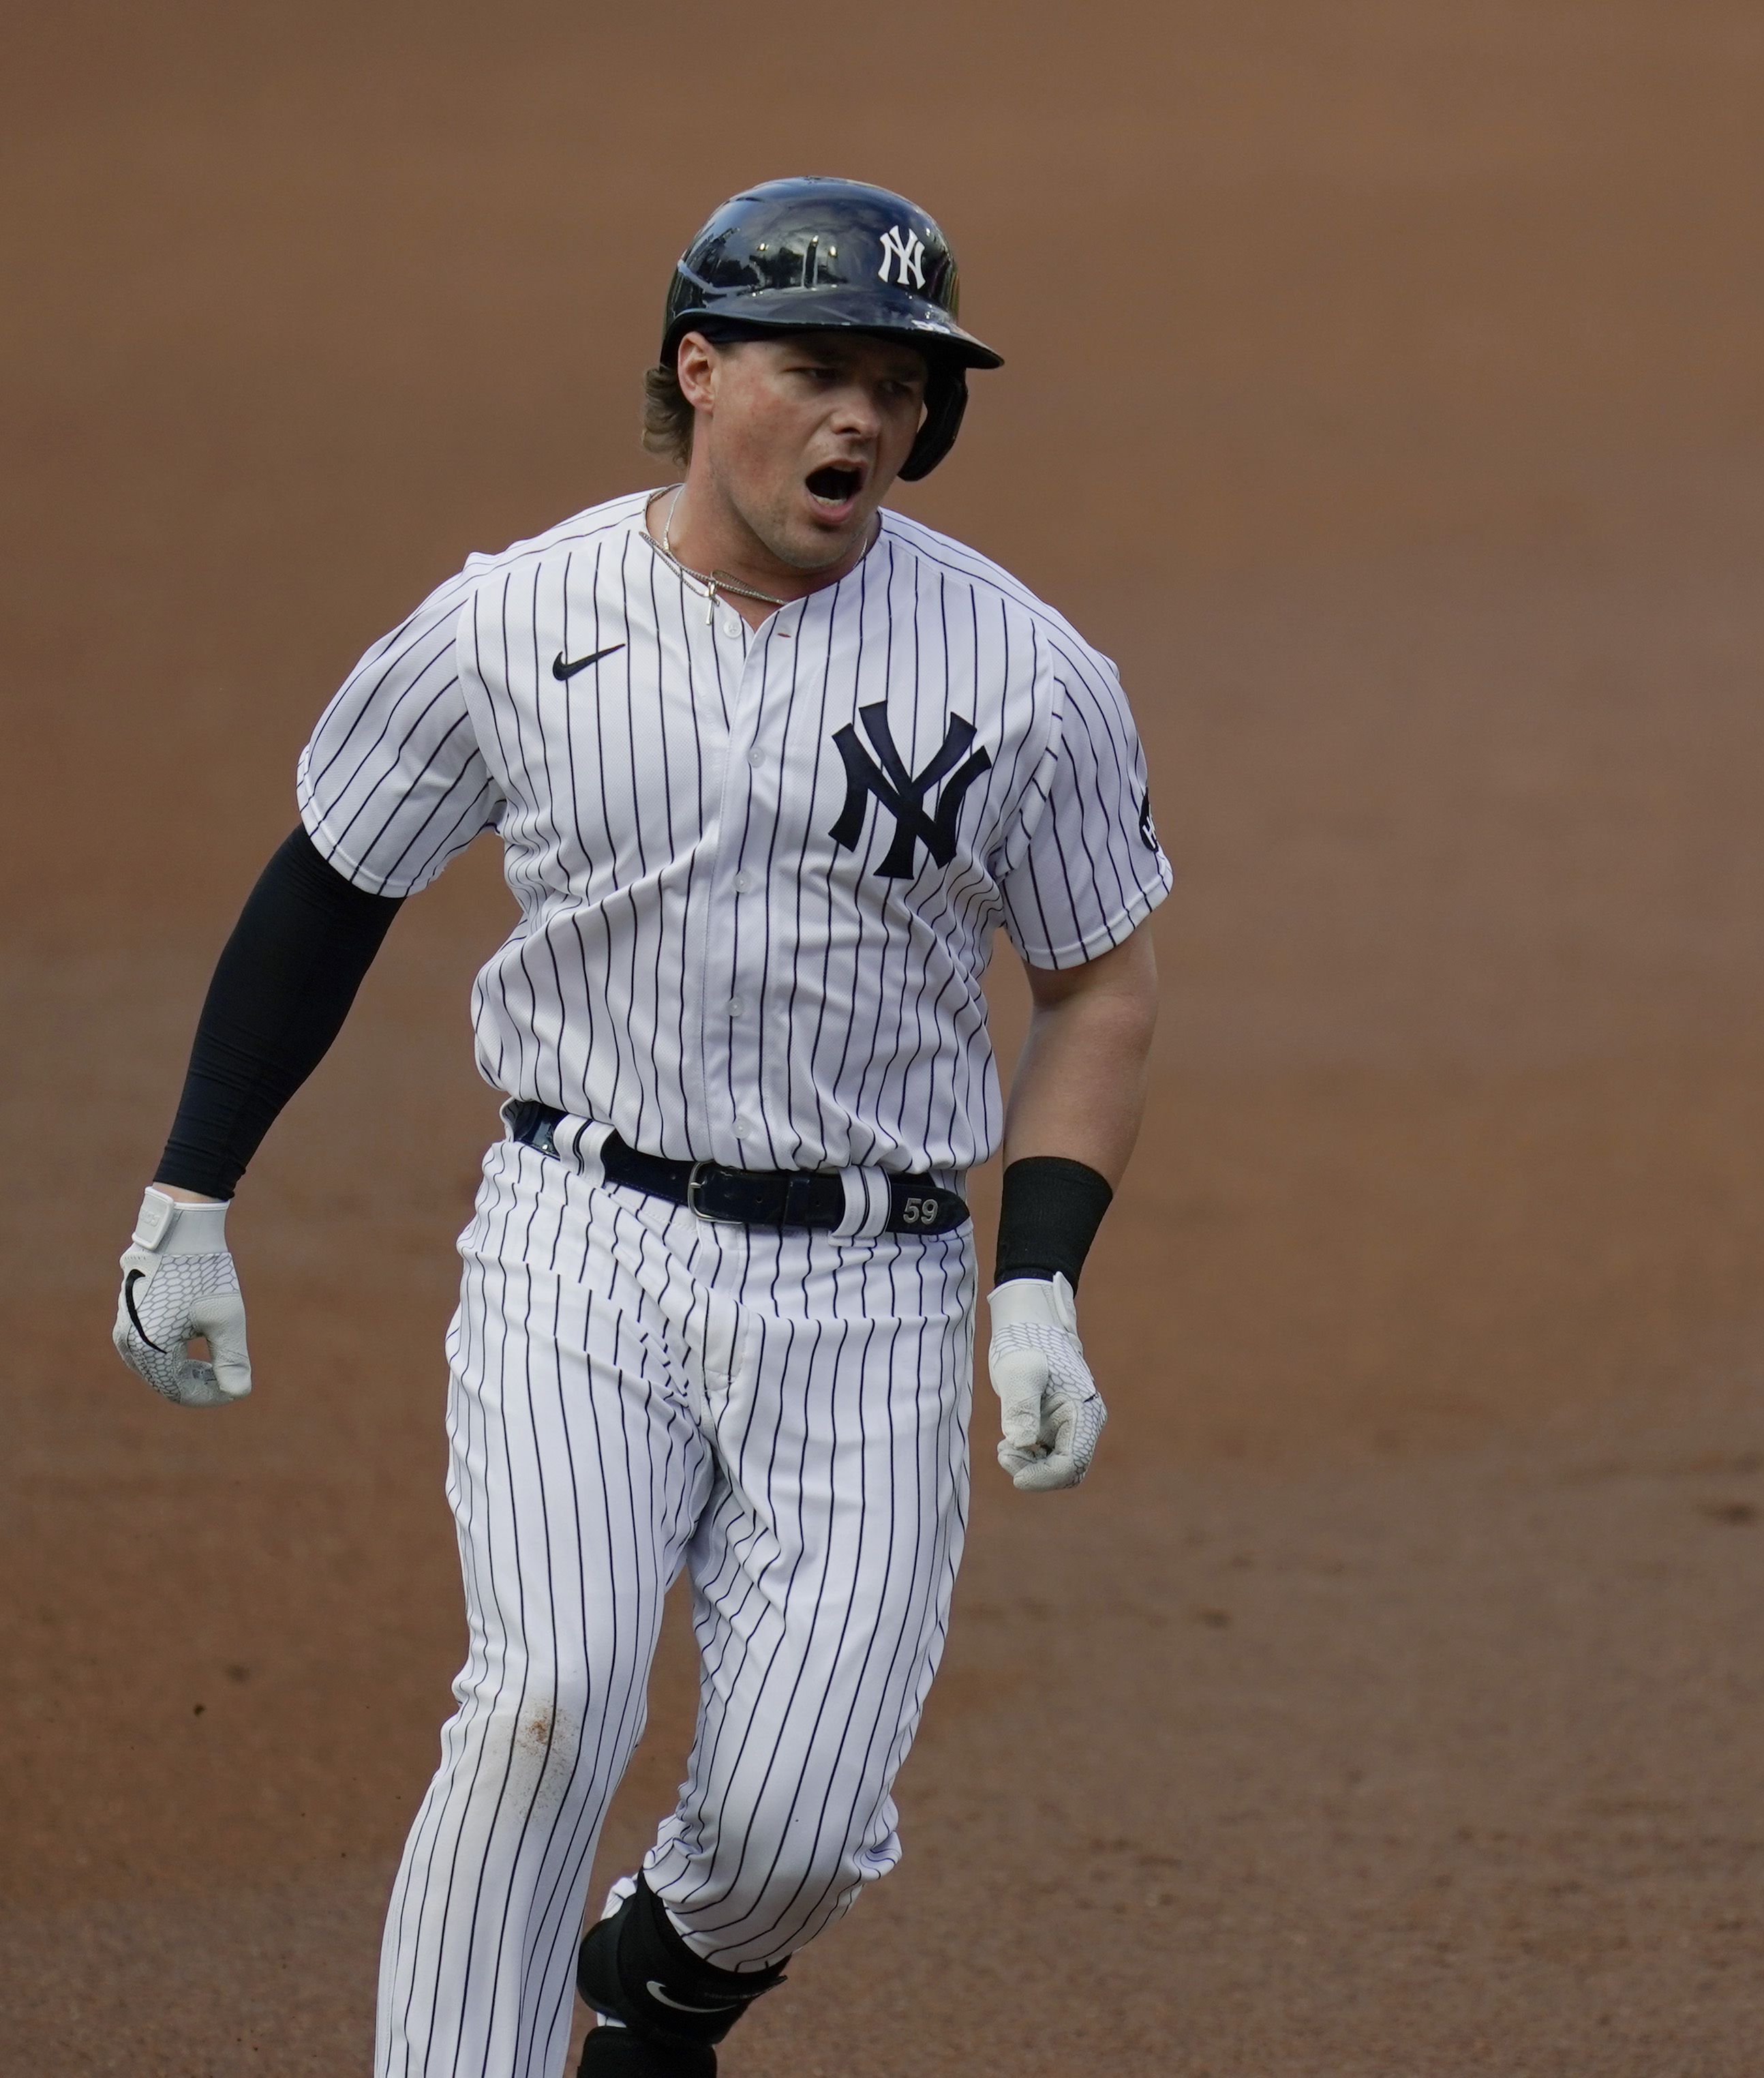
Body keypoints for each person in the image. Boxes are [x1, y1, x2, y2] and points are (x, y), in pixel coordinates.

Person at [110, 176, 1170, 2078]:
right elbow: (331, 884)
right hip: (581, 1241)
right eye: (816, 368)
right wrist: (193, 1189)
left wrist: (1037, 1293)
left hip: (874, 1285)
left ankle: (658, 1989)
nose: (864, 418)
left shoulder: (1026, 676)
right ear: (701, 371)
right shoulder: (515, 620)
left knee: (792, 1831)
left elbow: (1098, 981)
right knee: (546, 1701)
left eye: (900, 386)